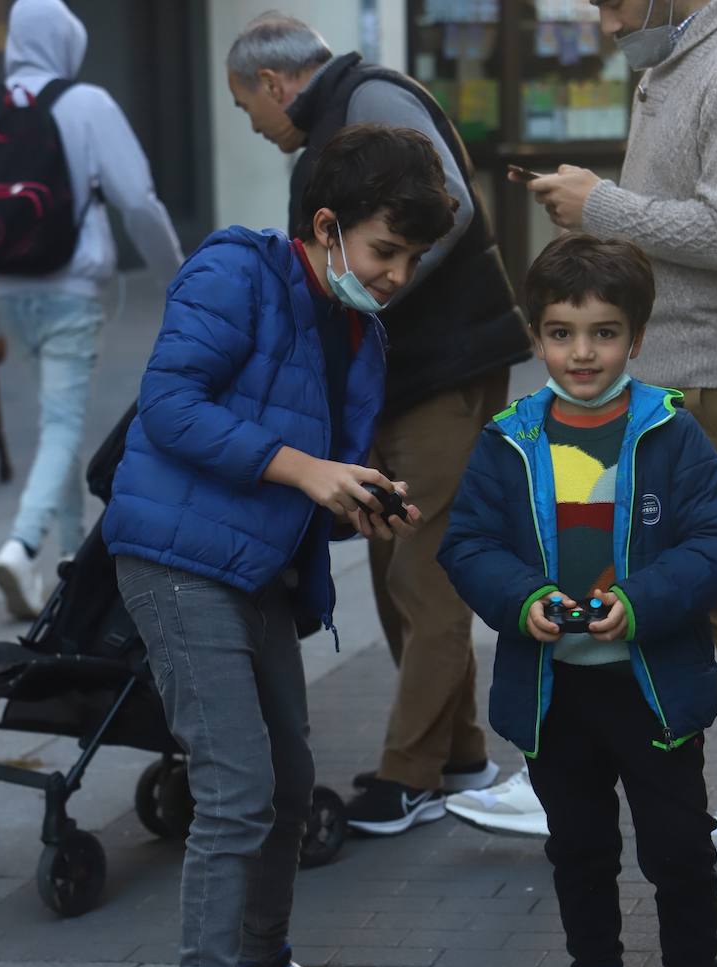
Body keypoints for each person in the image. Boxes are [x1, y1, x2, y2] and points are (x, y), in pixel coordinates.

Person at [103, 125, 456, 967]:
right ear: (325, 226)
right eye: (384, 253)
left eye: (410, 262)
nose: (393, 277)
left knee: (291, 780)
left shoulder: (358, 326)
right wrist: (307, 470)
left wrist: (355, 495)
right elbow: (169, 405)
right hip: (174, 563)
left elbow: (307, 456)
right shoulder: (236, 271)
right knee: (237, 791)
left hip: (250, 567)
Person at [500, 0, 717, 862]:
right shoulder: (674, 61)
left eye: (612, 2)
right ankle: (573, 761)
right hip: (666, 367)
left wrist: (600, 203)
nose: (605, 22)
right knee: (618, 563)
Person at [439, 233, 717, 967]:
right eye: (562, 332)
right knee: (578, 847)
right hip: (555, 695)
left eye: (604, 332)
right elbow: (467, 544)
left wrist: (642, 602)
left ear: (636, 338)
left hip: (652, 689)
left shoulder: (670, 433)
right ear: (539, 337)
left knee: (680, 848)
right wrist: (522, 599)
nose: (583, 352)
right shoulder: (509, 441)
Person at [226, 13, 532, 836]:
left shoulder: (368, 100)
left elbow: (452, 210)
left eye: (245, 107)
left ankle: (408, 775)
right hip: (403, 375)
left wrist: (376, 290)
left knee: (425, 573)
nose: (251, 127)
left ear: (272, 83)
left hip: (445, 368)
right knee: (399, 559)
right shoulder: (340, 115)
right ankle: (459, 753)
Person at [0, 0, 182, 620]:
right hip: (72, 291)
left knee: (52, 423)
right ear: (68, 41)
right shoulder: (87, 104)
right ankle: (23, 544)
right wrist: (179, 276)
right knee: (63, 426)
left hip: (11, 289)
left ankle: (67, 564)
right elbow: (137, 200)